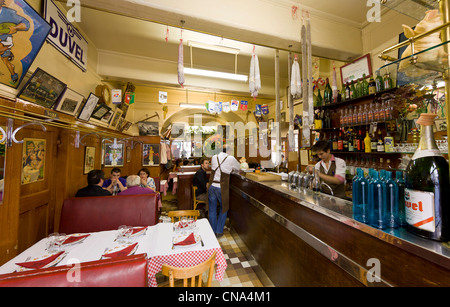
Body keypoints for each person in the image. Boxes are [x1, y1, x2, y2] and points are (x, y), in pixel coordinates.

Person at [208, 146, 240, 237]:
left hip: (212, 186)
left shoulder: (214, 157)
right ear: (229, 151)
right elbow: (238, 167)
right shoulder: (230, 158)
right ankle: (218, 231)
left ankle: (212, 231)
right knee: (224, 208)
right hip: (222, 188)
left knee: (212, 209)